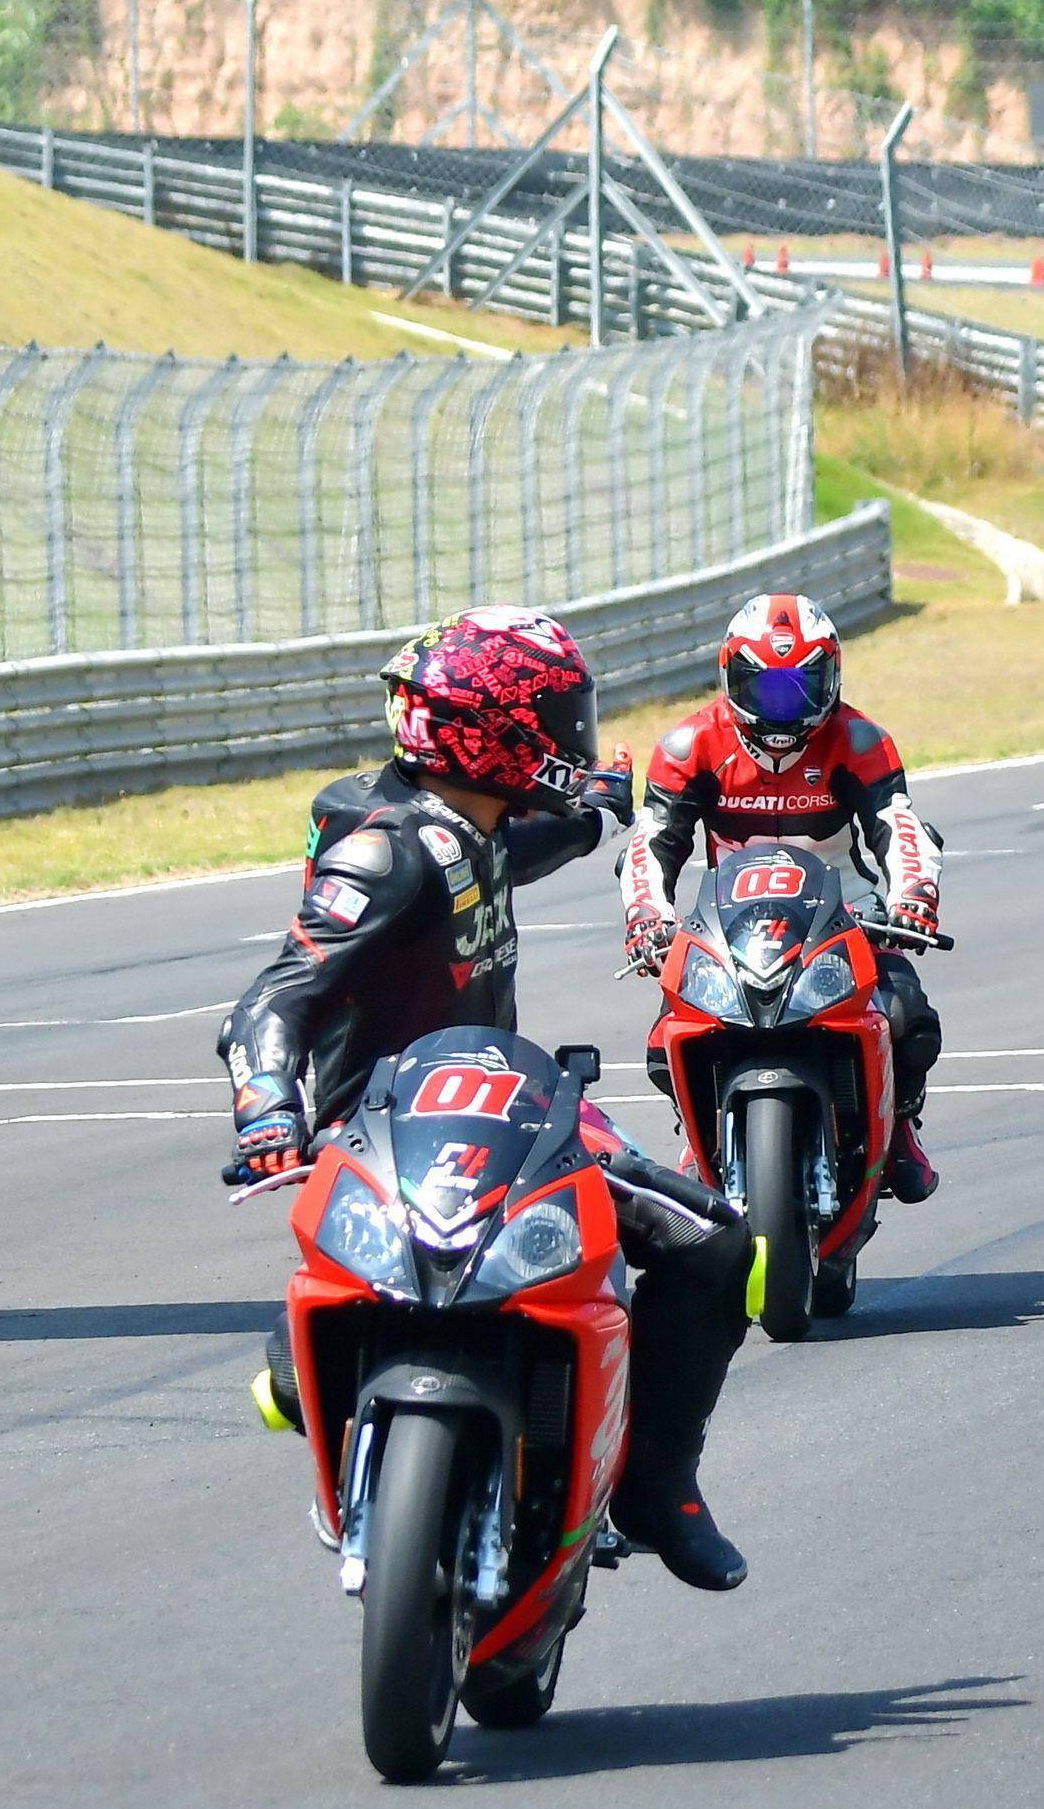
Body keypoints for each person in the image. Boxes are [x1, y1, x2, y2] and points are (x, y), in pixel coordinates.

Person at [218, 605, 756, 1596]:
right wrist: (266, 1112)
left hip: (504, 1101)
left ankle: (656, 1483)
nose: (570, 740)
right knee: (296, 1369)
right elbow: (268, 1002)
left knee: (717, 1243)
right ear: (486, 736)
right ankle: (326, 1380)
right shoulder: (385, 852)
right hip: (377, 1129)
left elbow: (518, 847)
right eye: (554, 722)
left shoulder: (469, 820)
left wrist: (596, 811)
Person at [623, 591, 948, 1203]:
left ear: (832, 679)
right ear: (730, 678)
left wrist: (913, 896)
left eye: (800, 687)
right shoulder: (688, 747)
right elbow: (651, 843)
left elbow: (899, 827)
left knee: (910, 1017)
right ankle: (700, 1137)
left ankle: (900, 1126)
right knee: (665, 1042)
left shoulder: (861, 740)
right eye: (766, 689)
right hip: (727, 920)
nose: (782, 708)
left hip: (846, 913)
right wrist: (648, 914)